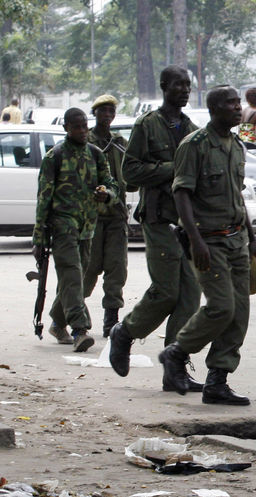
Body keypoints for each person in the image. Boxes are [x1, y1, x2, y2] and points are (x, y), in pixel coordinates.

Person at [158, 85, 256, 405]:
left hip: (237, 240)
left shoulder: (236, 145)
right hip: (208, 242)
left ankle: (218, 380)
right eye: (230, 103)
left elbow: (236, 193)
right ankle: (176, 353)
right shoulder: (195, 146)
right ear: (214, 108)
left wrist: (252, 236)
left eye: (238, 103)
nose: (237, 108)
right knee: (221, 307)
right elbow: (181, 193)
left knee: (239, 313)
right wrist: (196, 240)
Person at [108, 65, 203, 391]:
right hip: (158, 218)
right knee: (166, 291)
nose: (184, 90)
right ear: (164, 87)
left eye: (188, 85)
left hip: (186, 222)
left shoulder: (191, 128)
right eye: (178, 84)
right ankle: (125, 332)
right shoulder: (148, 125)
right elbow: (130, 173)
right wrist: (170, 168)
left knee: (190, 295)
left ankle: (174, 367)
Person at [33, 108, 118, 352]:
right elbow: (44, 199)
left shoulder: (95, 154)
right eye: (77, 127)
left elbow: (111, 184)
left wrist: (107, 194)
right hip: (62, 225)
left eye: (85, 126)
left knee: (80, 280)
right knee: (71, 274)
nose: (83, 131)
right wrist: (38, 238)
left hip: (87, 226)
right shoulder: (55, 157)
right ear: (66, 128)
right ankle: (80, 329)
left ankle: (57, 322)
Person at [83, 95, 130, 338]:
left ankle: (110, 322)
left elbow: (129, 176)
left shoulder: (119, 142)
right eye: (103, 111)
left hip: (116, 214)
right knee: (88, 270)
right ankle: (71, 316)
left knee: (117, 269)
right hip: (92, 216)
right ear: (96, 114)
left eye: (111, 111)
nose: (108, 115)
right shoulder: (87, 141)